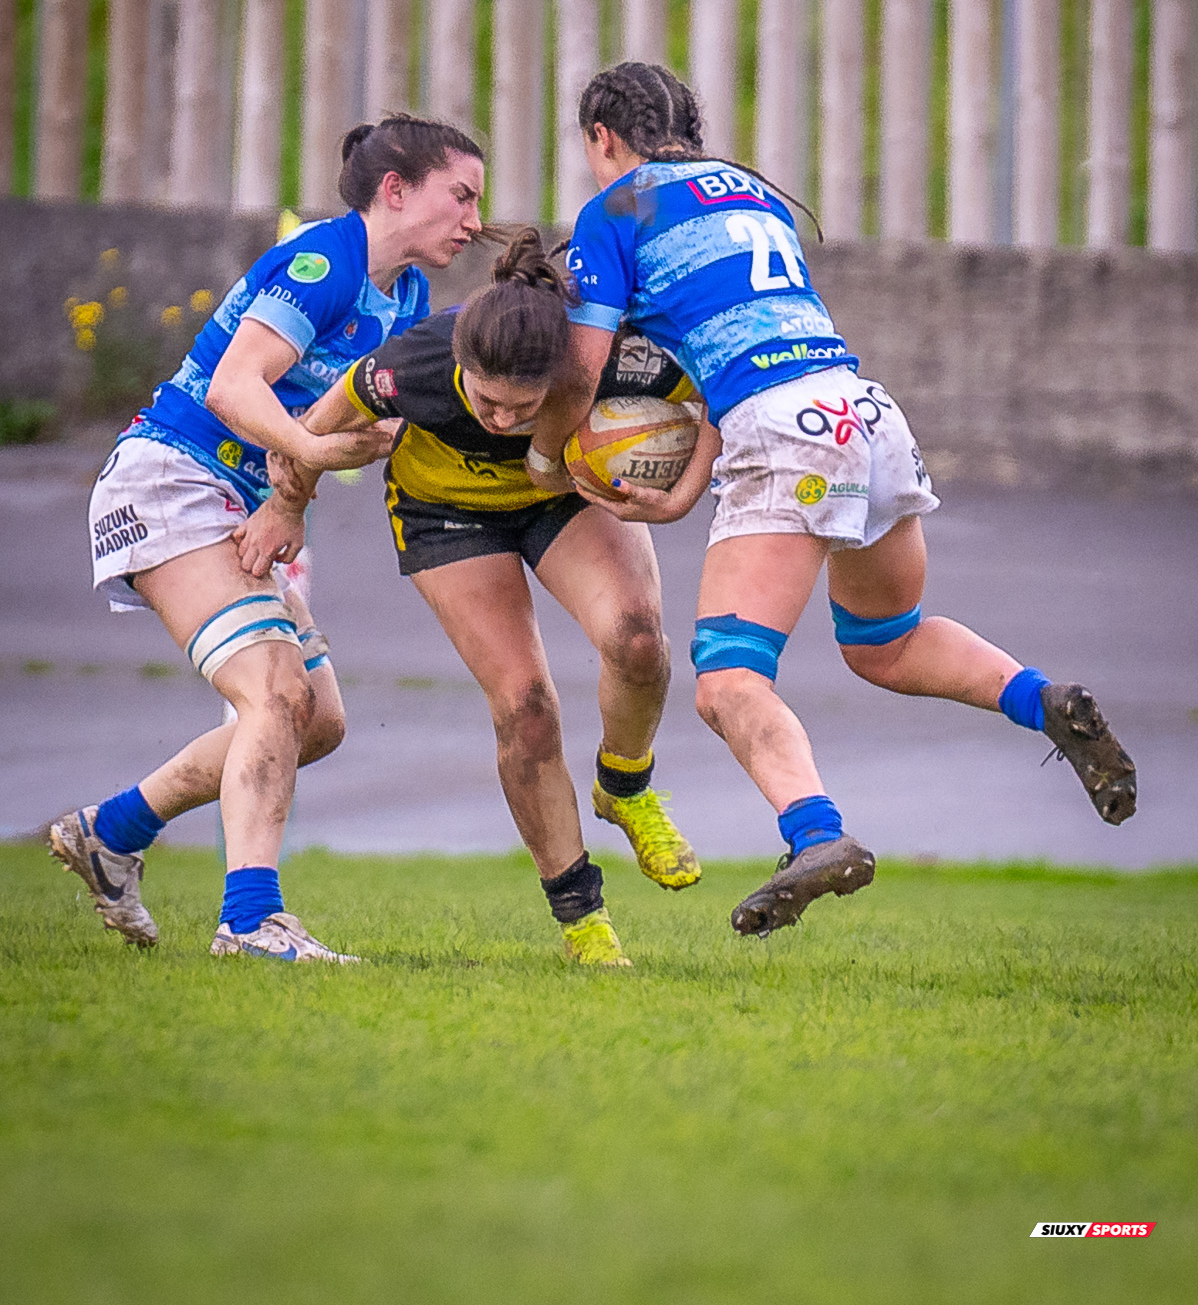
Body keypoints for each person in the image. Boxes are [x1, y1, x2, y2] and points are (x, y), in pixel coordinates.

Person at [526, 62, 1138, 939]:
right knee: (887, 642)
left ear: (600, 137)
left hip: (781, 433)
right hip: (862, 412)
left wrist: (547, 459)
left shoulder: (617, 208)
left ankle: (815, 833)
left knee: (729, 677)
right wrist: (692, 482)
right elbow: (738, 348)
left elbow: (584, 366)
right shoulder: (753, 196)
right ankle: (1041, 700)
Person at [50, 115, 485, 963]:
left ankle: (111, 833)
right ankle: (250, 923)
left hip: (243, 499)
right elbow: (231, 386)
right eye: (460, 196)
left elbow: (358, 420)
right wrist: (315, 453)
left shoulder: (406, 295)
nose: (473, 219)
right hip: (172, 478)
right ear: (395, 190)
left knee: (315, 720)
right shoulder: (321, 263)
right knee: (274, 693)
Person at [238, 229, 712, 969]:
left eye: (523, 409)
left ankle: (625, 783)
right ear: (461, 364)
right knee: (525, 707)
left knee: (638, 637)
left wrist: (685, 487)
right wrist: (287, 508)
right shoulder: (411, 363)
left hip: (559, 494)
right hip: (445, 511)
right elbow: (309, 434)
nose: (500, 419)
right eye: (488, 402)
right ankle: (585, 925)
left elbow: (717, 401)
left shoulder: (610, 355)